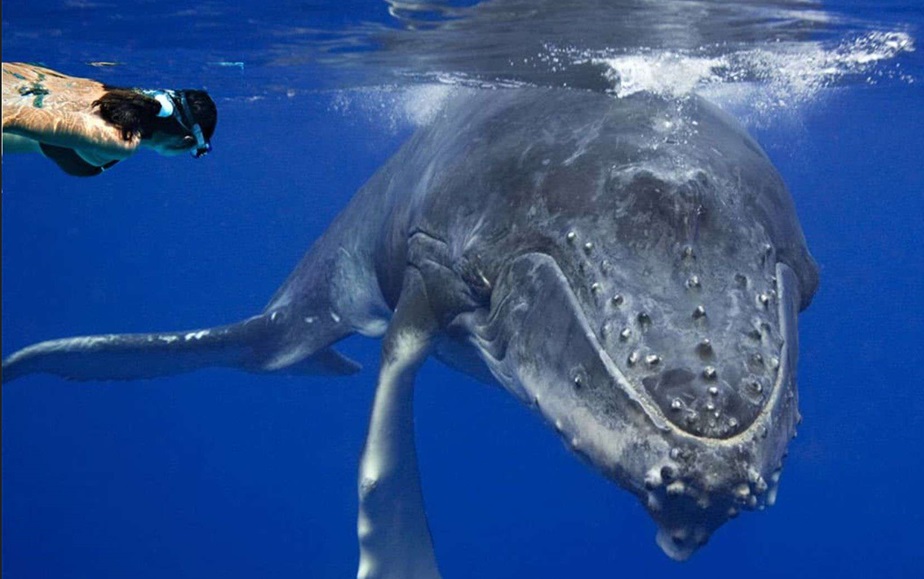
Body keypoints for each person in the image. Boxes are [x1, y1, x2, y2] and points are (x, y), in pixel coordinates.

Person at [2, 62, 217, 176]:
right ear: (186, 140)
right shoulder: (120, 141)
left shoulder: (118, 99)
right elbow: (10, 117)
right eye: (198, 151)